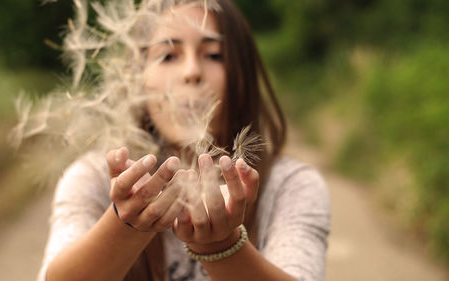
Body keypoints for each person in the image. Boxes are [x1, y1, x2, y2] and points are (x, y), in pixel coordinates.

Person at [37, 0, 330, 280]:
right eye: (168, 55)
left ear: (243, 74)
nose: (191, 71)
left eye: (215, 54)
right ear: (138, 76)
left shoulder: (289, 186)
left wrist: (222, 248)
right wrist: (123, 226)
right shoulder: (94, 179)